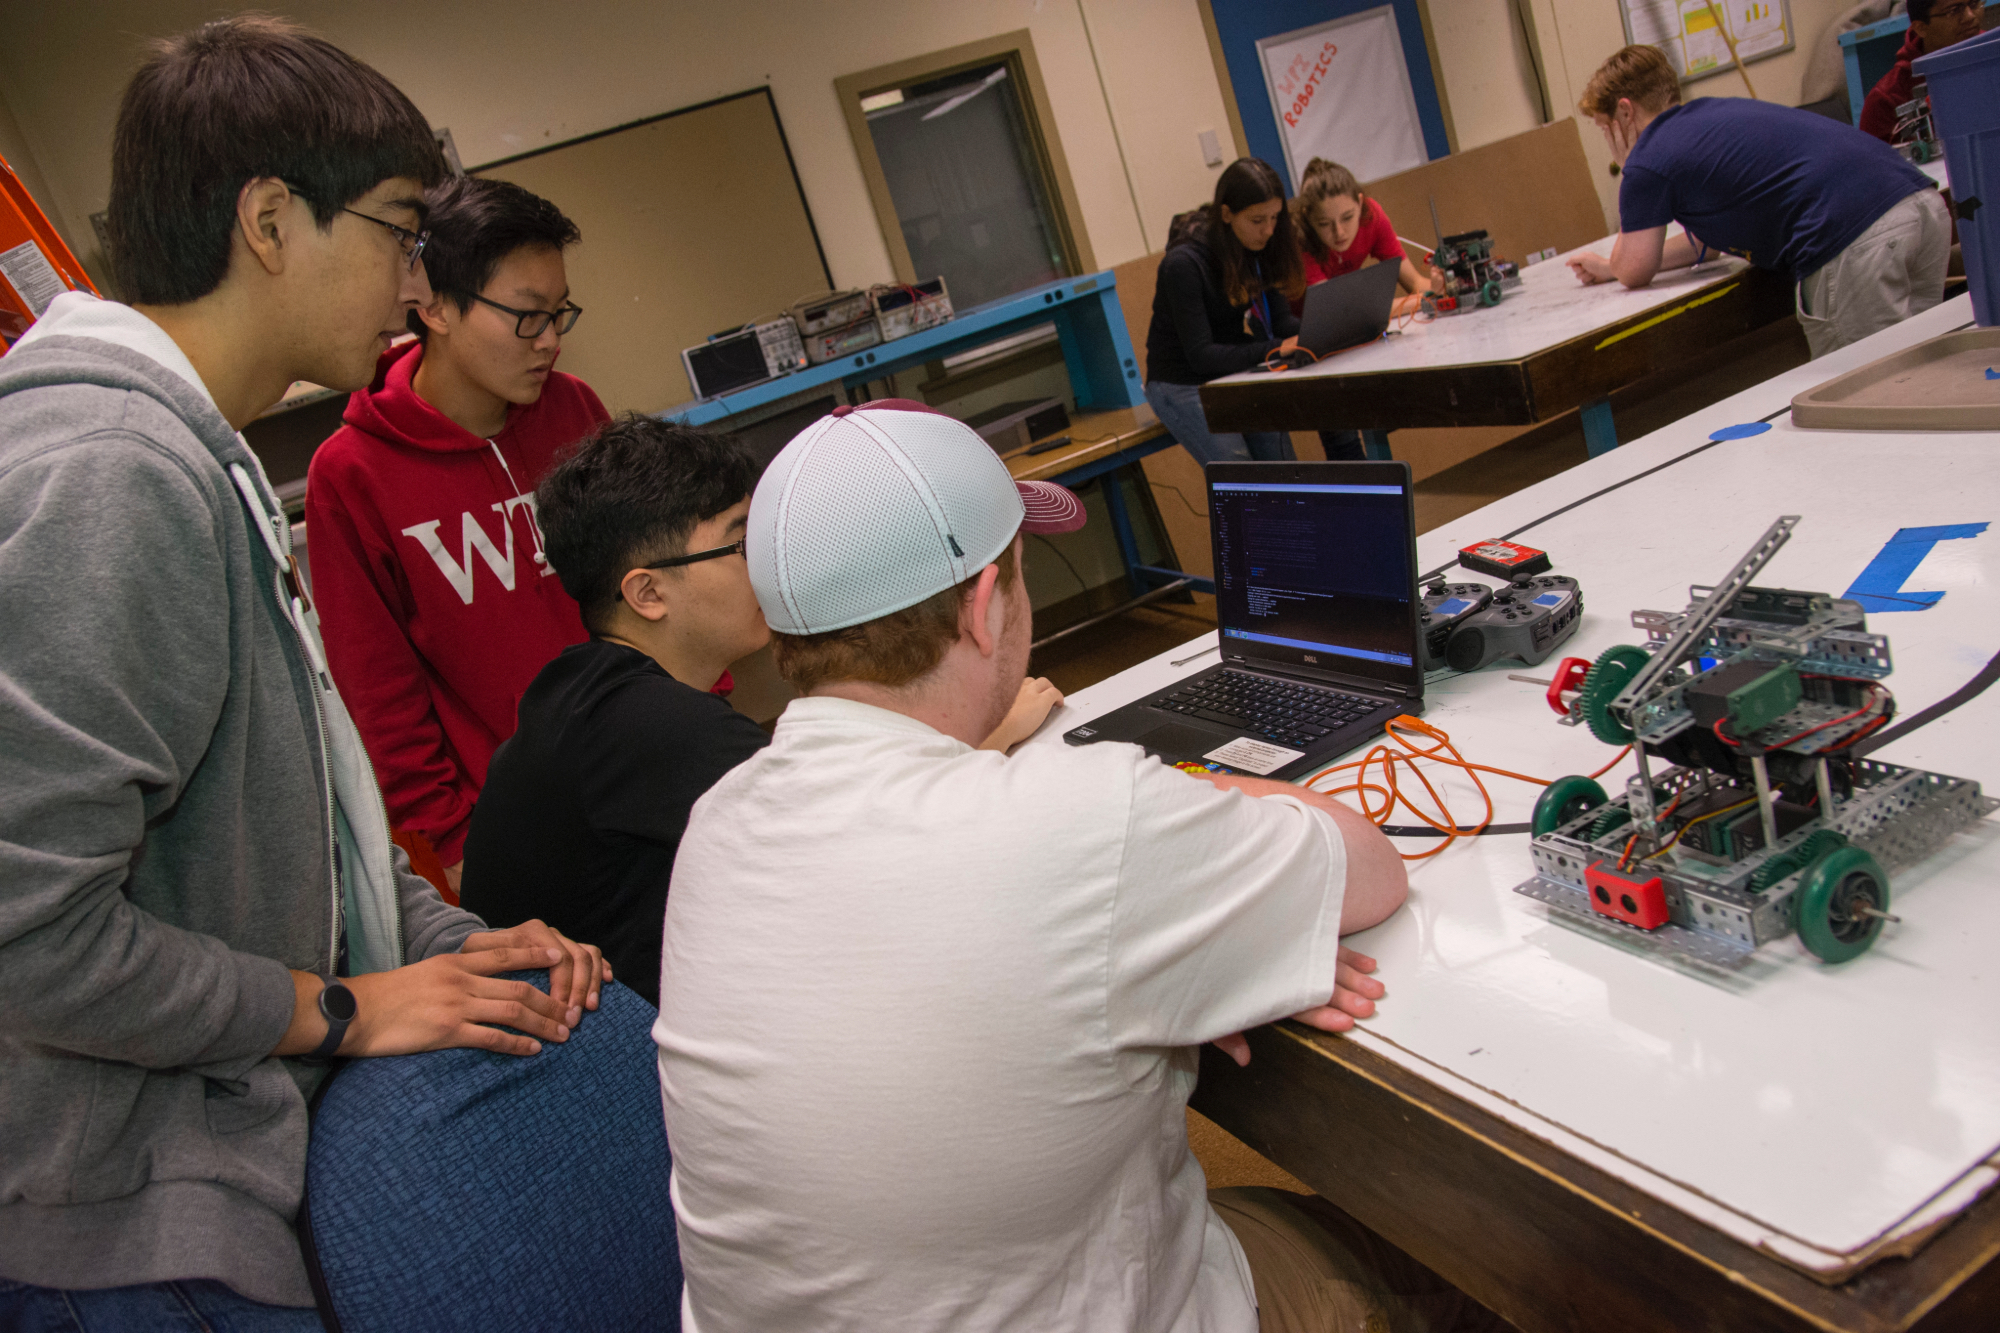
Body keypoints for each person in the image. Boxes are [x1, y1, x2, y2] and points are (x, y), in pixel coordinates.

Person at [0, 19, 608, 1327]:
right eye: (399, 232)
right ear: (271, 219)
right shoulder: (115, 471)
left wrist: (448, 940)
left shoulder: (190, 451)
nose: (412, 285)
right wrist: (345, 1005)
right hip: (126, 1235)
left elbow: (280, 824)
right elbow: (28, 936)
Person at [655, 400, 1509, 1332]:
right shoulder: (1081, 824)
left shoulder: (718, 824)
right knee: (1477, 1271)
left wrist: (1159, 938)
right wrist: (1188, 876)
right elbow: (1370, 868)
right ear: (986, 606)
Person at [464, 413, 1070, 1005]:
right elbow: (880, 850)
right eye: (740, 540)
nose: (772, 562)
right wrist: (989, 733)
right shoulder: (647, 727)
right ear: (648, 594)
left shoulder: (584, 696)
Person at [306, 175, 612, 896]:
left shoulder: (574, 410)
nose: (552, 342)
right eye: (528, 317)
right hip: (505, 827)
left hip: (638, 765)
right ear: (435, 306)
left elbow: (650, 571)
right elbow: (377, 683)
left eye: (561, 312)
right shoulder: (351, 473)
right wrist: (449, 837)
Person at [1566, 44, 1952, 358]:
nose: (1608, 141)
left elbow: (1635, 269)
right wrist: (1606, 267)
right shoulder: (1711, 117)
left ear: (1625, 111)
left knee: (1873, 393)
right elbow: (1707, 243)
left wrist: (1628, 170)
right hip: (1920, 205)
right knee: (1922, 373)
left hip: (1855, 239)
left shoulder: (1647, 158)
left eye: (1604, 128)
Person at [1144, 157, 1306, 466]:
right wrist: (1276, 349)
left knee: (1283, 465)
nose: (1269, 230)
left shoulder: (1261, 245)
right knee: (1239, 473)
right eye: (1258, 220)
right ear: (1227, 215)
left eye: (1274, 218)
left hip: (1230, 367)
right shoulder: (1184, 264)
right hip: (1181, 381)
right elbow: (1202, 355)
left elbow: (1282, 321)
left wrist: (1320, 330)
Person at [1288, 156, 1437, 461]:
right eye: (1324, 225)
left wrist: (1438, 285)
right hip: (1306, 340)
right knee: (1342, 439)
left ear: (1360, 203)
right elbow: (1337, 316)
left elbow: (1415, 284)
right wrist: (1415, 302)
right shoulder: (1298, 238)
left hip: (1353, 335)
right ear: (1307, 219)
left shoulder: (1373, 216)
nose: (1340, 233)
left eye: (1347, 217)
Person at [1859, 0, 1985, 144]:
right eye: (1954, 10)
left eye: (1974, 3)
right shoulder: (1886, 100)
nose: (1970, 16)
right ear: (1921, 28)